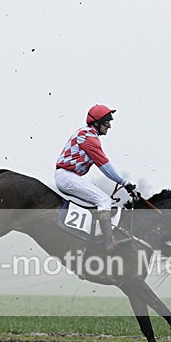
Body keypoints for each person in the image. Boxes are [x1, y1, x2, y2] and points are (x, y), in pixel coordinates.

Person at [55, 104, 137, 252]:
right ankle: (108, 243)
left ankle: (94, 235)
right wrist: (125, 183)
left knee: (105, 201)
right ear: (97, 122)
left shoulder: (89, 135)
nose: (109, 126)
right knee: (104, 200)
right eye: (107, 122)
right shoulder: (88, 138)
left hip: (68, 176)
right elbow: (105, 165)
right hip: (66, 177)